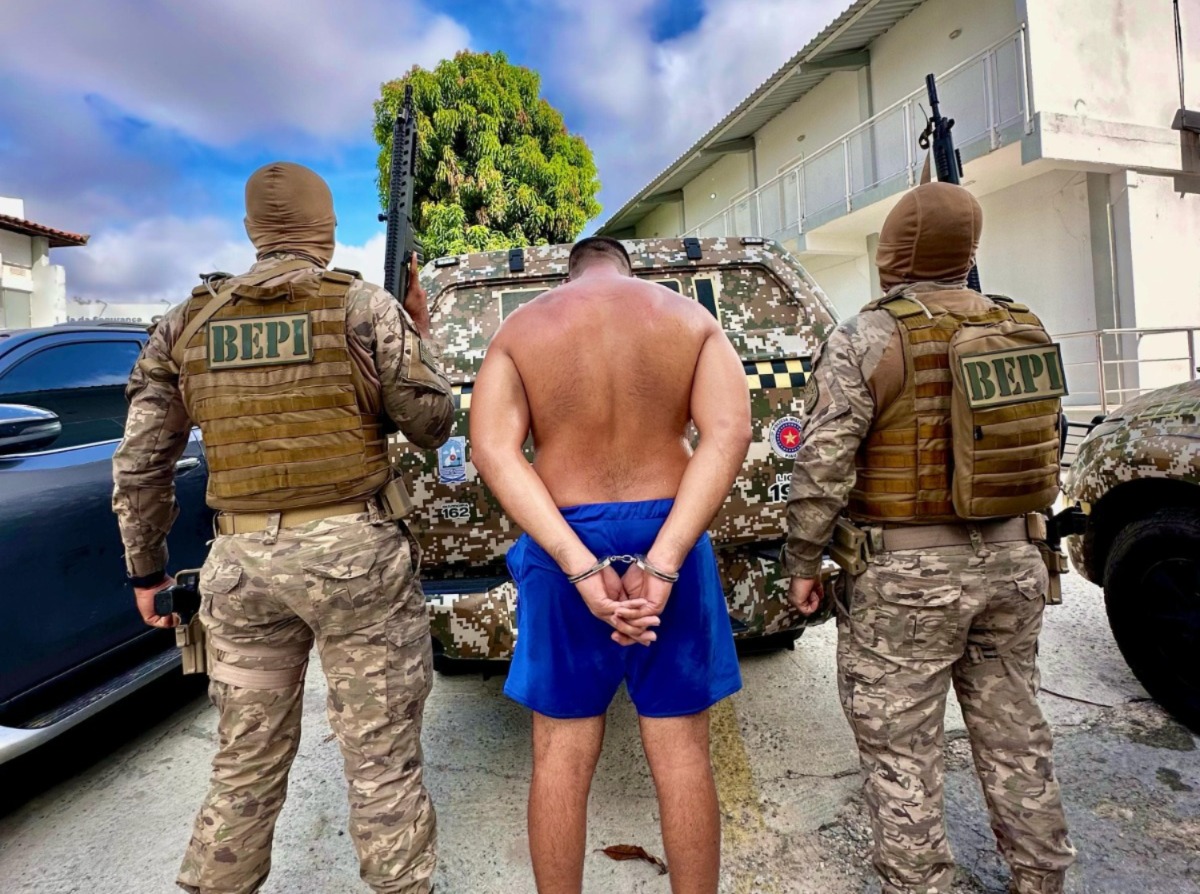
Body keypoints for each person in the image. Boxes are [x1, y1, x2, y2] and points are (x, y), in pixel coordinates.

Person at [112, 161, 454, 894]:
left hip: (240, 568)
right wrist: (419, 335)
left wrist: (145, 570)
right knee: (381, 760)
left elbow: (140, 463)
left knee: (243, 761)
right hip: (356, 565)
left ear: (252, 232)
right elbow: (431, 425)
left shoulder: (185, 323)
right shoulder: (363, 307)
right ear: (326, 229)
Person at [783, 181, 1076, 894]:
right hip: (1017, 560)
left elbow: (824, 462)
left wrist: (803, 560)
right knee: (1016, 732)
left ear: (893, 251)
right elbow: (1048, 438)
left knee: (902, 752)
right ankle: (1042, 878)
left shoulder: (868, 336)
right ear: (967, 251)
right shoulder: (1023, 324)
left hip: (906, 578)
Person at [469, 236, 750, 894]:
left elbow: (493, 450)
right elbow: (729, 432)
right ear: (627, 269)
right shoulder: (689, 319)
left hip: (563, 531)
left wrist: (577, 563)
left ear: (571, 274)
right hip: (670, 525)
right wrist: (665, 560)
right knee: (682, 753)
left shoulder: (522, 328)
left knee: (560, 755)